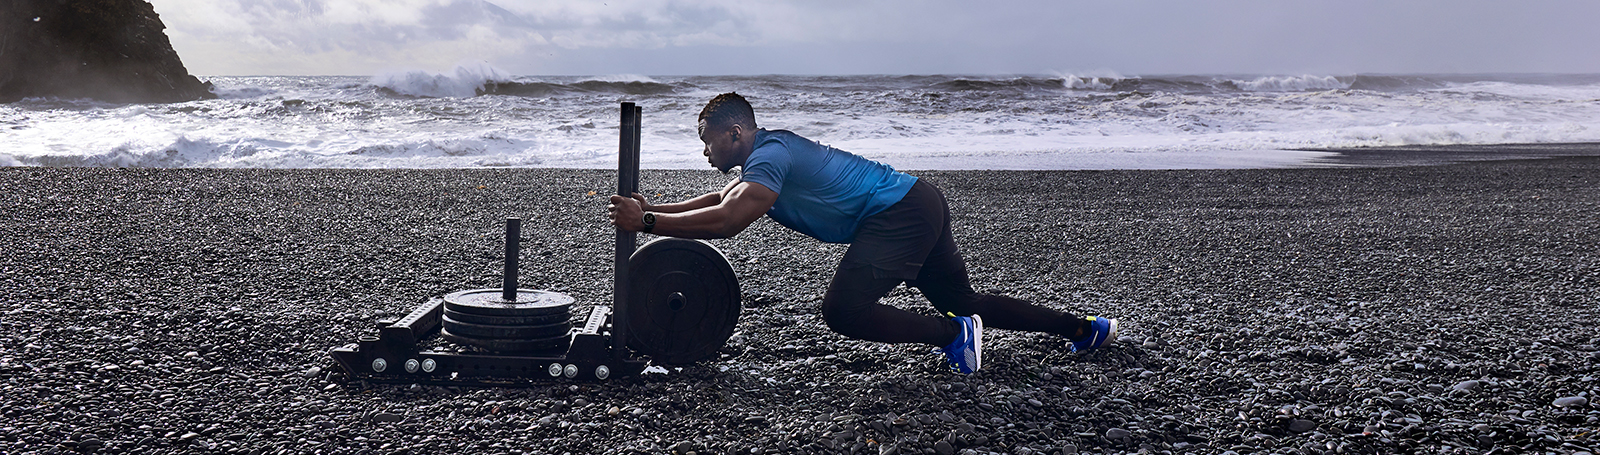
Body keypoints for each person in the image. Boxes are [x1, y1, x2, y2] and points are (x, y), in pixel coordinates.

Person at [607, 93, 1117, 374]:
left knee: (842, 311)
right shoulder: (765, 159)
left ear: (734, 133)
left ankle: (954, 336)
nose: (705, 153)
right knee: (958, 296)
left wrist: (647, 224)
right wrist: (656, 208)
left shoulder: (770, 156)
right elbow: (721, 201)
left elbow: (730, 221)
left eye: (707, 141)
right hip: (917, 200)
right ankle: (1083, 329)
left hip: (897, 214)